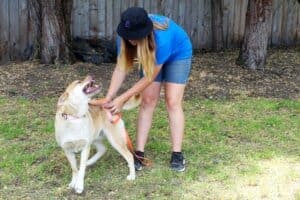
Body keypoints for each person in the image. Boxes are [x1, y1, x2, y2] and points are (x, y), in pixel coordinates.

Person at [91, 7, 192, 172]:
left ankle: (177, 153)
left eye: (135, 37)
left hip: (178, 53)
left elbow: (150, 76)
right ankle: (138, 152)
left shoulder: (162, 39)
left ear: (145, 32)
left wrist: (123, 98)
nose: (131, 41)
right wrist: (109, 96)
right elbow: (120, 68)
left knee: (172, 101)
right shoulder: (123, 38)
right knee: (148, 100)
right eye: (128, 36)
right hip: (151, 55)